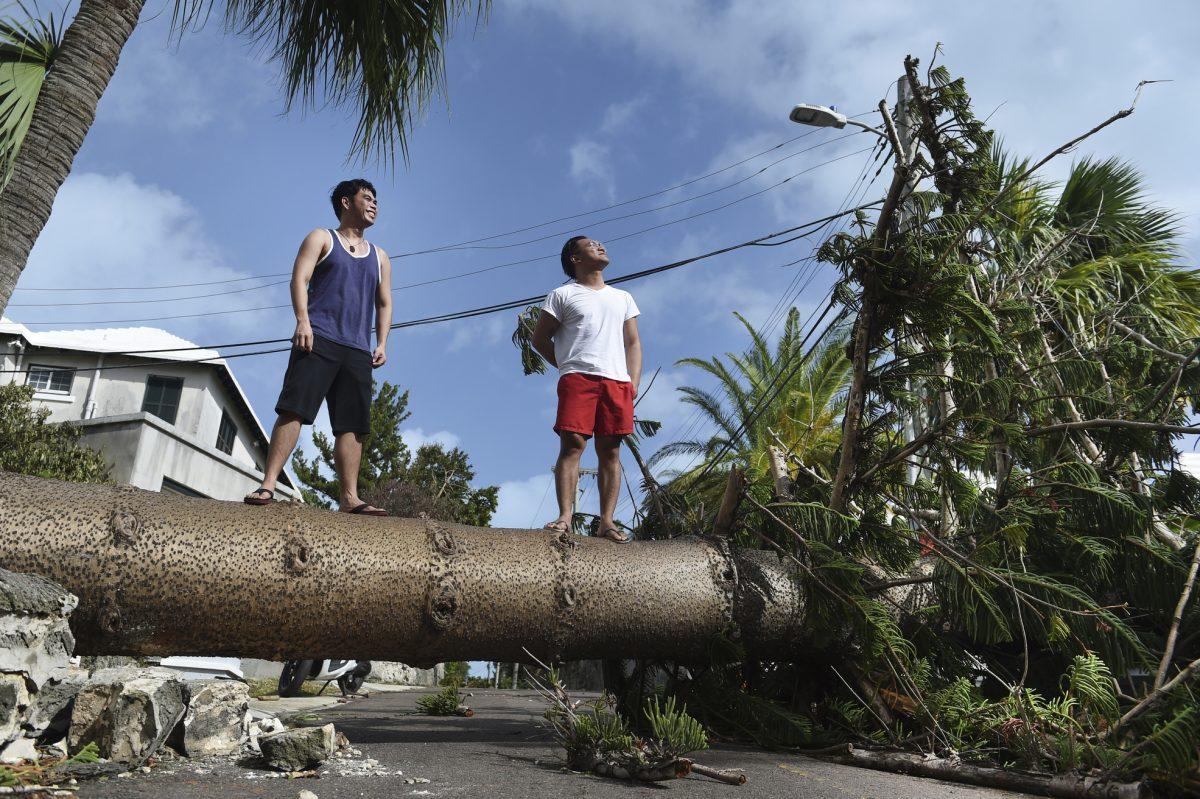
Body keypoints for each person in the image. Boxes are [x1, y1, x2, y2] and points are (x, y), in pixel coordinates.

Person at [244, 179, 393, 515]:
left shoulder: (380, 257)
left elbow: (384, 302)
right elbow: (300, 278)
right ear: (345, 202)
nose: (374, 205)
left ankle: (350, 498)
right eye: (366, 199)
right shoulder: (322, 238)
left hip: (357, 349)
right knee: (294, 408)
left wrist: (382, 341)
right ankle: (268, 484)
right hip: (317, 338)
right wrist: (302, 320)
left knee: (352, 425)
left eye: (376, 201)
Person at [531, 236, 642, 543]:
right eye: (591, 244)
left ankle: (606, 522)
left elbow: (632, 342)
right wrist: (566, 366)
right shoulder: (562, 294)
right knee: (573, 445)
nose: (600, 245)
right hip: (578, 378)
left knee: (611, 451)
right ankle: (565, 517)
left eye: (600, 243)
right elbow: (539, 339)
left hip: (617, 382)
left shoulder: (623, 298)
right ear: (575, 259)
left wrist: (632, 382)